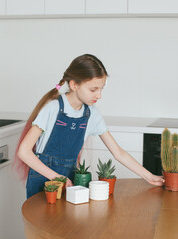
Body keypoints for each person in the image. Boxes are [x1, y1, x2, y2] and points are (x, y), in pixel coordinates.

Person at [14, 54, 164, 199]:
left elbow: (118, 152)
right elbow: (24, 152)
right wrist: (57, 178)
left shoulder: (92, 114)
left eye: (101, 89)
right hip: (43, 179)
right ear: (74, 85)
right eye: (93, 90)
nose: (99, 95)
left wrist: (149, 176)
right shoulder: (52, 109)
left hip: (70, 178)